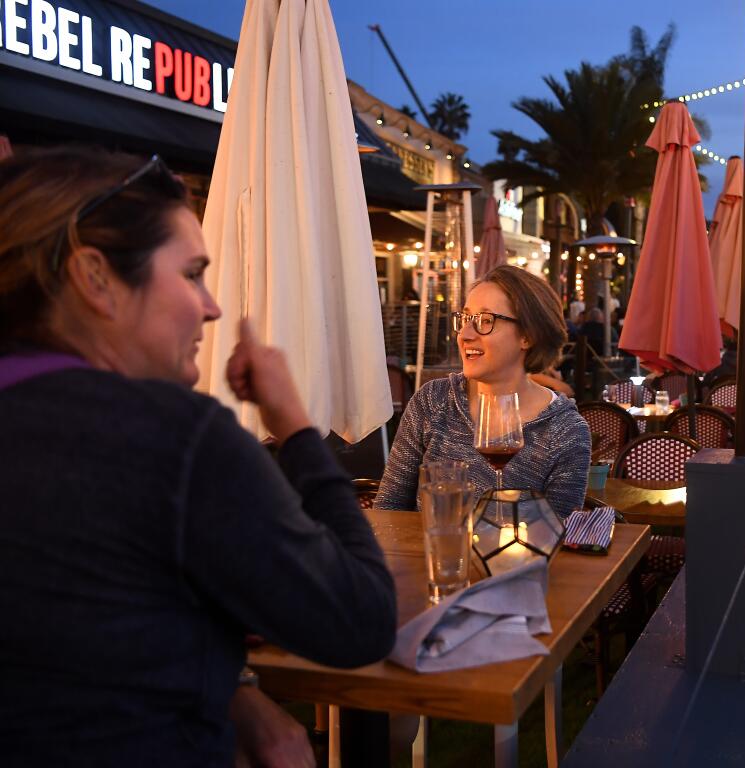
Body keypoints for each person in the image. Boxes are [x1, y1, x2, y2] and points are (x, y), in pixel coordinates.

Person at [0, 147, 397, 767]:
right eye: (190, 274)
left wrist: (237, 689)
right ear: (95, 278)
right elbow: (360, 619)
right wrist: (296, 429)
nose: (211, 307)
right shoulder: (174, 440)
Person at [377, 265, 590, 517]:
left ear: (528, 336)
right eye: (466, 319)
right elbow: (388, 512)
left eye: (485, 321)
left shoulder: (564, 432)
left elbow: (555, 542)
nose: (465, 334)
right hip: (432, 556)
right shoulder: (433, 401)